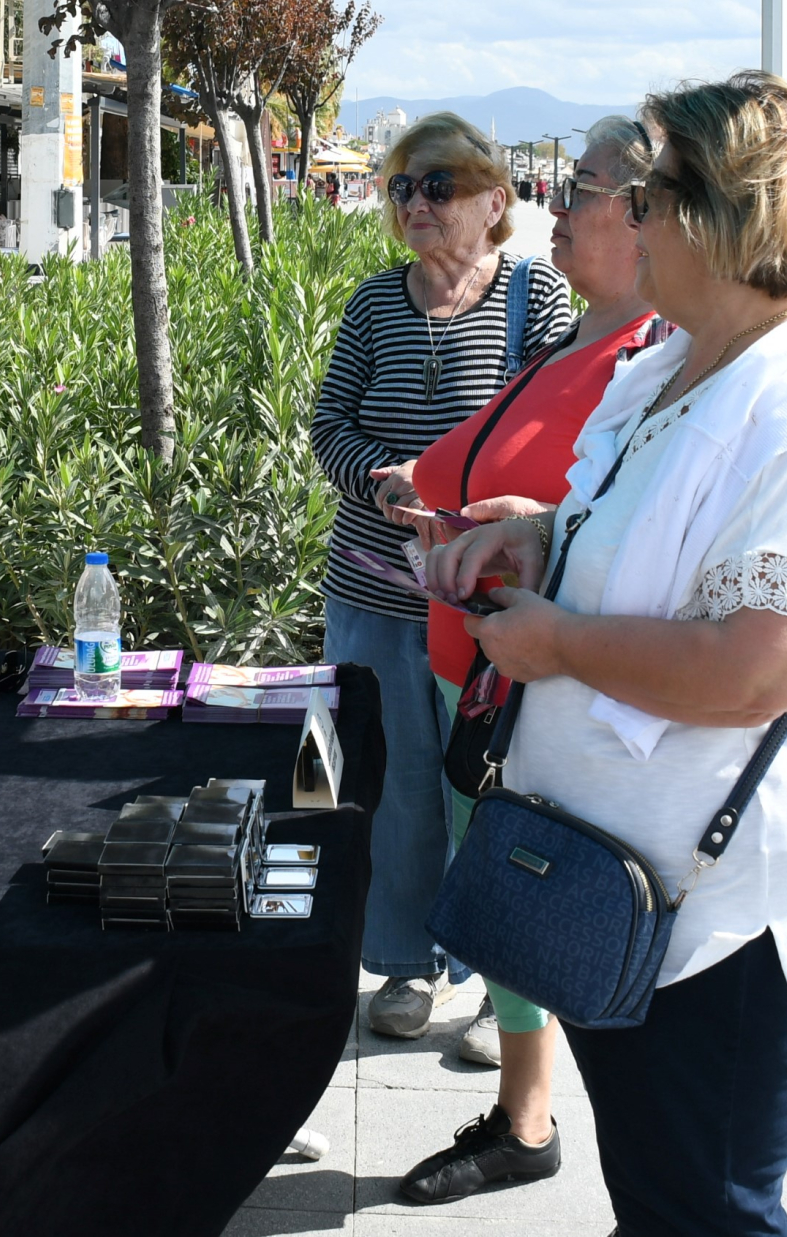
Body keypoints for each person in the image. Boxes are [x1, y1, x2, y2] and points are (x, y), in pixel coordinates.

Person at [427, 71, 787, 1237]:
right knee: (658, 1194)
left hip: (723, 910)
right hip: (623, 875)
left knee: (708, 1208)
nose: (632, 218)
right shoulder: (669, 364)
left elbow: (771, 661)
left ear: (720, 217)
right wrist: (531, 536)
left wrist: (562, 644)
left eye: (654, 195)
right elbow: (620, 522)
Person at [381, 113, 659, 1204]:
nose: (558, 203)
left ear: (646, 219)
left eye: (580, 186)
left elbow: (590, 513)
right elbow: (491, 452)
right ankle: (524, 1106)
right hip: (479, 662)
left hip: (521, 676)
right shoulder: (577, 337)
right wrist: (424, 489)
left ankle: (529, 1115)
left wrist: (485, 520)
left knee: (520, 892)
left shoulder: (640, 359)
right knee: (494, 884)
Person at [310, 113, 571, 1040]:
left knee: (491, 790)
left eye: (438, 187)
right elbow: (328, 427)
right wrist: (385, 482)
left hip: (483, 596)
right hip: (374, 589)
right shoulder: (376, 303)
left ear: (494, 200)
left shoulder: (535, 302)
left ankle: (500, 985)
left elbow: (557, 434)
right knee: (397, 788)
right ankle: (408, 965)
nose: (414, 204)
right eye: (402, 188)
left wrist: (458, 494)